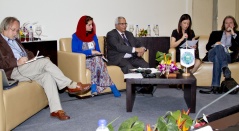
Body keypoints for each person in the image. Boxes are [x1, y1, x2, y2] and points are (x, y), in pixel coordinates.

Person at [0, 17, 91, 120]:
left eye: (17, 30)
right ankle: (70, 85)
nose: (15, 33)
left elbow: (26, 52)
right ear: (4, 28)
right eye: (13, 30)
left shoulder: (15, 40)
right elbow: (1, 63)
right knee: (45, 62)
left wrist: (35, 59)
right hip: (12, 72)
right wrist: (17, 61)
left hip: (25, 68)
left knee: (47, 75)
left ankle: (56, 110)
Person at [72, 15, 121, 97]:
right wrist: (90, 52)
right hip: (84, 60)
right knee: (98, 61)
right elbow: (75, 51)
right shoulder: (76, 36)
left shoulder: (93, 36)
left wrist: (99, 54)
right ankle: (112, 85)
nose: (91, 27)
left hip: (95, 59)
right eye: (89, 25)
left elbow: (98, 49)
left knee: (98, 60)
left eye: (92, 24)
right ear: (82, 25)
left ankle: (94, 85)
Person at [200, 15, 239, 94]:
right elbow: (208, 47)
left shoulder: (237, 35)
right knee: (219, 47)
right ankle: (225, 68)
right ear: (223, 25)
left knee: (217, 58)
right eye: (226, 23)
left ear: (234, 25)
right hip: (212, 53)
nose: (228, 25)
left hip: (227, 56)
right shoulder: (215, 33)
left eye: (230, 23)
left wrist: (233, 34)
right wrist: (215, 44)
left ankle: (215, 87)